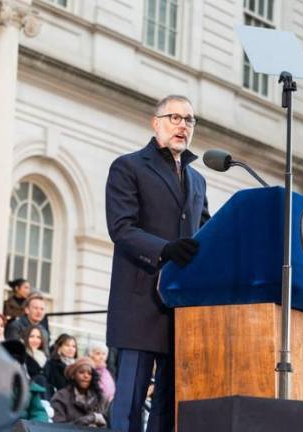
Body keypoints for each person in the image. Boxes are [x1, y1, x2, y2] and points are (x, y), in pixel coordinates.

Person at [105, 94, 209, 432]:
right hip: (139, 302)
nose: (182, 126)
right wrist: (165, 250)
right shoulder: (129, 166)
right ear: (156, 123)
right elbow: (121, 228)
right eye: (174, 118)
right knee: (129, 406)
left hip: (179, 306)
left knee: (167, 408)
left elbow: (205, 233)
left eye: (188, 120)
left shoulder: (197, 180)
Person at [50, 356, 108, 427]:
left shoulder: (101, 398)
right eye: (81, 372)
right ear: (73, 375)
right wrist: (90, 418)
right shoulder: (60, 397)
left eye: (89, 373)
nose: (86, 376)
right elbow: (58, 428)